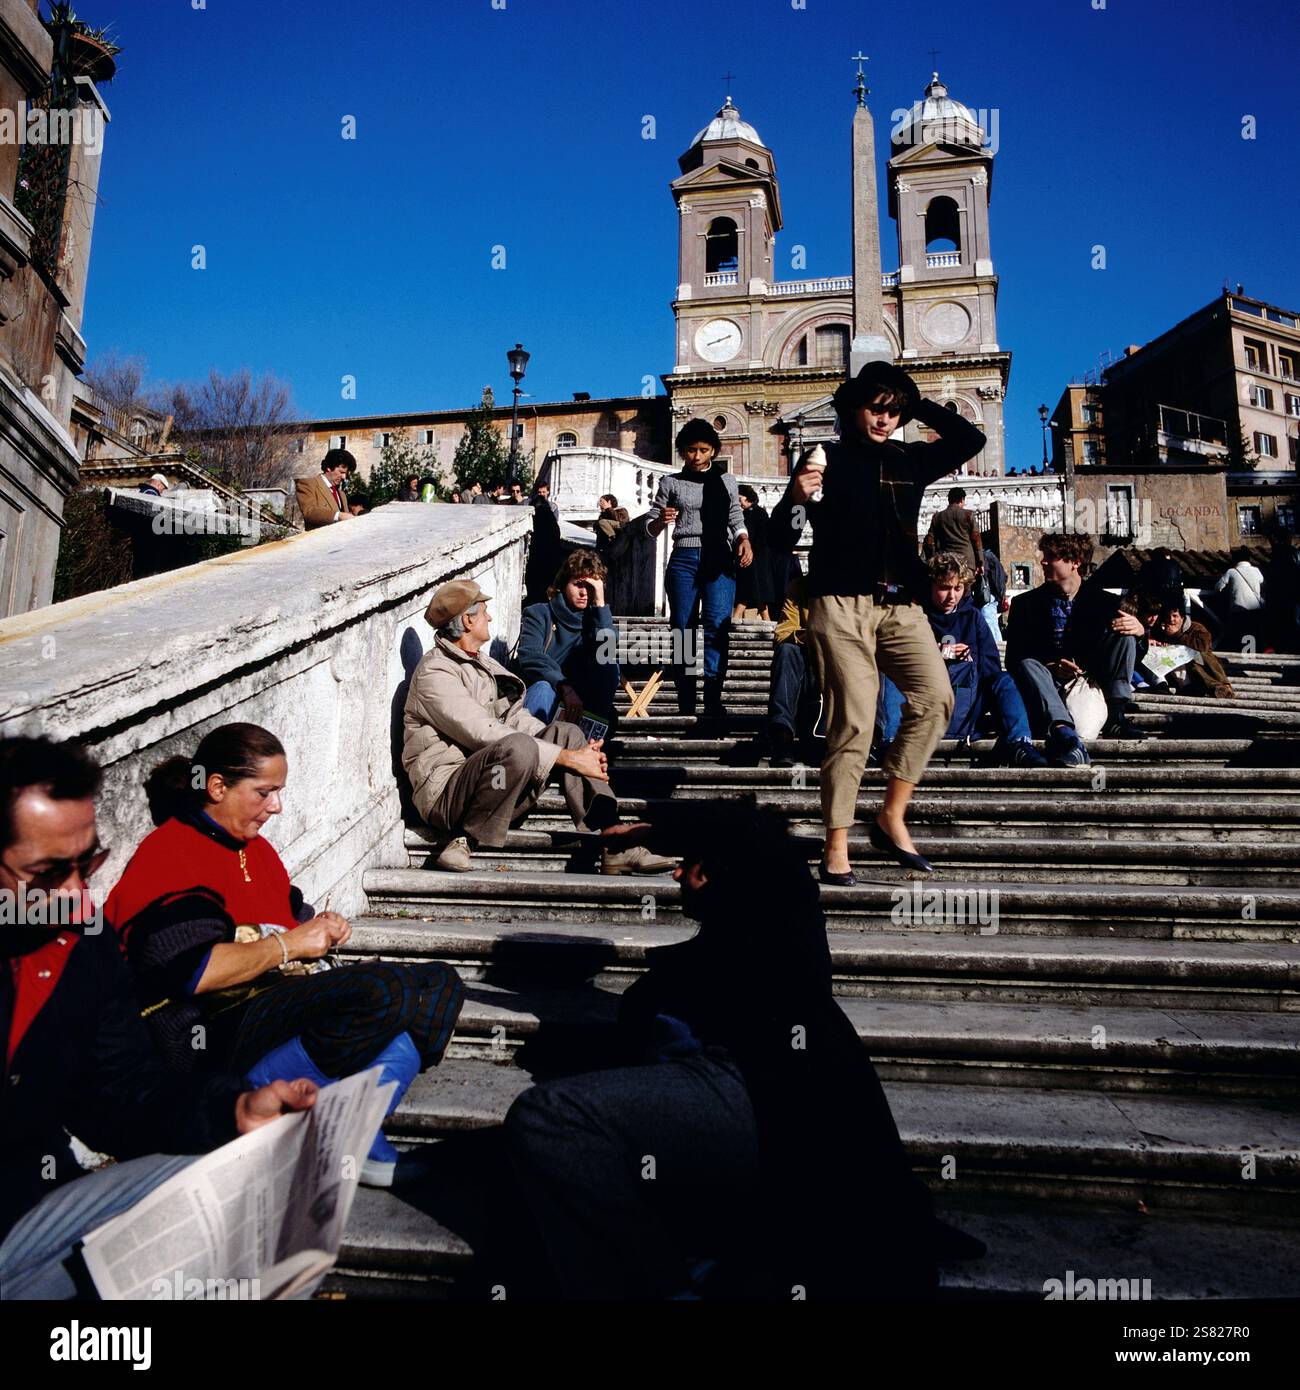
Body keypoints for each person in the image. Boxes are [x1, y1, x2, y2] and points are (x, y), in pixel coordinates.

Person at [502, 802, 942, 1301]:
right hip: (738, 1111)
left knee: (545, 1117)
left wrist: (653, 827)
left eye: (685, 863)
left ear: (711, 871)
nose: (673, 872)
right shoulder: (702, 956)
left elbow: (755, 828)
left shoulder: (785, 918)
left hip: (773, 1091)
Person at [0, 736, 320, 1300]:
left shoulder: (81, 941)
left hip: (38, 1204)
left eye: (89, 863)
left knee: (242, 1203)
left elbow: (121, 1088)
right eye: (49, 872)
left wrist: (233, 1109)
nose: (79, 895)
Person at [105, 723, 465, 1189]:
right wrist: (289, 945)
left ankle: (351, 1130)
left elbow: (294, 917)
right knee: (385, 992)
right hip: (210, 1029)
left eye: (278, 792)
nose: (276, 806)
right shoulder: (172, 854)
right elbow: (190, 973)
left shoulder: (256, 851)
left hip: (274, 1001)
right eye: (264, 792)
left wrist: (322, 928)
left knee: (439, 984)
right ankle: (255, 1106)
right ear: (217, 787)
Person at [770, 361, 984, 883]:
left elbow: (969, 436)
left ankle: (891, 813)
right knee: (856, 721)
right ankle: (837, 839)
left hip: (903, 604)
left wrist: (914, 397)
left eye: (894, 411)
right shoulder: (827, 457)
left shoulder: (910, 458)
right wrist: (798, 494)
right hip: (840, 603)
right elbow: (780, 534)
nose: (885, 418)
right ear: (853, 408)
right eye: (876, 407)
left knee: (936, 698)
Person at [402, 579, 673, 876]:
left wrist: (579, 752)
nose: (490, 617)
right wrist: (566, 758)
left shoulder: (485, 665)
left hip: (498, 783)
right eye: (484, 612)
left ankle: (615, 842)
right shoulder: (434, 671)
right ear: (467, 620)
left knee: (568, 733)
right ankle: (465, 838)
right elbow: (482, 732)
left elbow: (517, 719)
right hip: (447, 795)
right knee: (519, 746)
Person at [877, 553, 1049, 768]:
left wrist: (970, 659)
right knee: (890, 675)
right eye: (944, 588)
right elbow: (892, 656)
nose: (951, 596)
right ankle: (891, 742)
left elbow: (990, 669)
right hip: (921, 704)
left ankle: (1020, 743)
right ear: (930, 585)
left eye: (957, 589)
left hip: (966, 704)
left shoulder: (973, 617)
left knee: (1004, 680)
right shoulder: (914, 615)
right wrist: (933, 654)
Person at [1004, 533, 1148, 764]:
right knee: (1027, 663)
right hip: (1045, 685)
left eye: (1052, 557)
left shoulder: (1105, 602)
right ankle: (1065, 735)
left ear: (1075, 562)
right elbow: (1013, 659)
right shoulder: (1025, 604)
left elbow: (1132, 655)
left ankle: (1117, 715)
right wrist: (1052, 667)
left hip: (1090, 683)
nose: (1043, 562)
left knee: (1125, 631)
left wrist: (1141, 633)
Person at [646, 419, 752, 717]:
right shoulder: (671, 482)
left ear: (713, 451)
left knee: (718, 626)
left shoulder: (727, 481)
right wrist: (660, 520)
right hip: (684, 558)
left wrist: (744, 539)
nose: (696, 456)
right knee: (682, 628)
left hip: (719, 557)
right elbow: (649, 526)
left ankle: (713, 697)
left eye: (703, 450)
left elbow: (736, 517)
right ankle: (686, 698)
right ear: (682, 451)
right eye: (690, 450)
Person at [517, 549, 620, 731]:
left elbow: (608, 652)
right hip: (549, 693)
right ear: (564, 584)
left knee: (609, 665)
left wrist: (600, 604)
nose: (584, 593)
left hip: (584, 701)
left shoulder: (596, 620)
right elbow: (530, 656)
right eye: (578, 585)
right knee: (542, 688)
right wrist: (565, 686)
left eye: (590, 587)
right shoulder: (539, 613)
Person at [765, 572, 821, 768]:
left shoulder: (852, 590)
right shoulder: (799, 587)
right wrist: (816, 635)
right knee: (787, 650)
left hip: (837, 667)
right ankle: (782, 736)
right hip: (808, 666)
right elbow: (783, 634)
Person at [1137, 599, 1234, 699]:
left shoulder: (1196, 628)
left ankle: (1222, 685)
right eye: (1168, 616)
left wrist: (1177, 635)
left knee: (1197, 659)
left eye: (1175, 616)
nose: (1171, 619)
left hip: (1202, 664)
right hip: (1177, 670)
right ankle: (1215, 688)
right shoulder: (1163, 630)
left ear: (1182, 617)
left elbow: (1203, 647)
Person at [732, 485, 773, 621]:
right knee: (757, 593)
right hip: (753, 558)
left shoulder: (758, 513)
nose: (738, 500)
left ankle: (736, 618)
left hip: (756, 558)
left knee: (748, 590)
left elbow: (761, 536)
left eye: (740, 497)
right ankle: (766, 621)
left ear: (747, 496)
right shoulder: (746, 513)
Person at [923, 486, 984, 574]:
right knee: (965, 586)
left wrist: (932, 559)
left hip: (947, 561)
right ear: (962, 500)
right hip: (967, 562)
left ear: (949, 500)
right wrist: (980, 562)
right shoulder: (968, 515)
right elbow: (976, 540)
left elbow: (930, 541)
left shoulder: (938, 517)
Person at [295, 448, 357, 529]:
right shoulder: (308, 484)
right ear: (329, 468)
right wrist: (338, 516)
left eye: (346, 473)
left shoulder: (342, 494)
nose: (344, 477)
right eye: (341, 472)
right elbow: (309, 512)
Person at [981, 547, 1008, 645]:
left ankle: (995, 648)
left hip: (988, 596)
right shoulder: (991, 556)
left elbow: (997, 578)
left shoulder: (986, 557)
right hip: (992, 596)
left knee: (989, 622)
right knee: (993, 623)